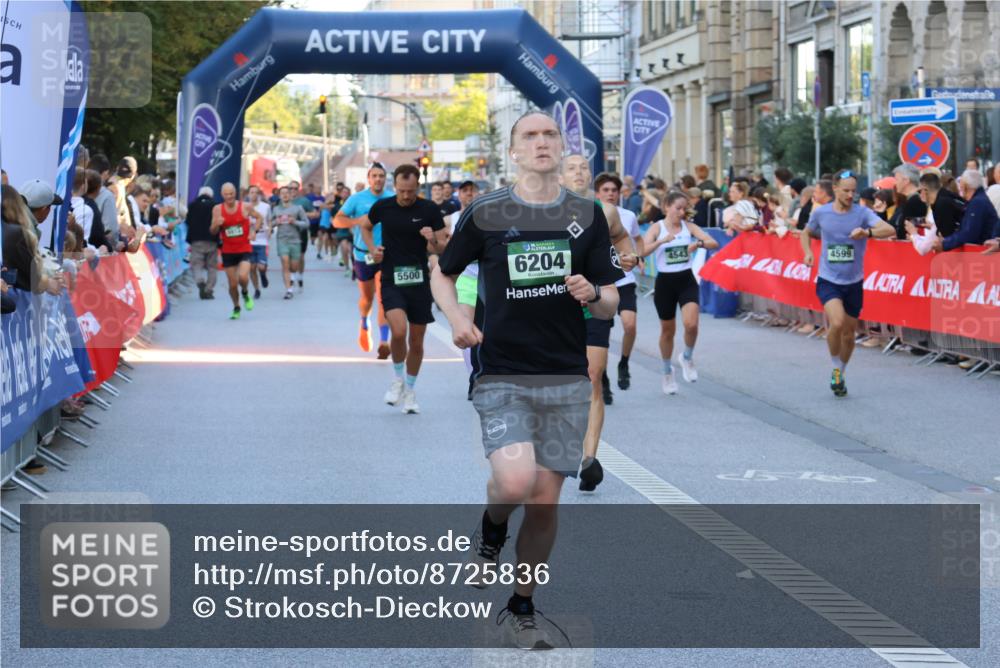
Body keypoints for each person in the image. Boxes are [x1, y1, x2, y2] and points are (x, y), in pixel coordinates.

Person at [432, 110, 621, 650]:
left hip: (564, 375)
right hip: (503, 373)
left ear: (561, 147)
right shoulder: (487, 212)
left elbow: (611, 295)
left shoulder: (587, 214)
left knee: (543, 501)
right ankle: (492, 529)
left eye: (549, 134)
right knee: (514, 483)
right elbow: (442, 273)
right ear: (513, 151)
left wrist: (594, 293)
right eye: (529, 136)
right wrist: (460, 319)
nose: (541, 142)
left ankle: (522, 604)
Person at [561, 155, 633, 493]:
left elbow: (622, 240)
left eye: (583, 168)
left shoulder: (603, 211)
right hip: (551, 310)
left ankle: (589, 459)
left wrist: (625, 259)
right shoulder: (541, 211)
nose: (579, 173)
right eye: (571, 168)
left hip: (593, 302)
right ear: (558, 175)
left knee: (591, 376)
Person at [800, 170, 896, 396]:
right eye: (846, 190)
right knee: (837, 322)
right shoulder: (822, 213)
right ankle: (835, 367)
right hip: (829, 279)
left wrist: (868, 232)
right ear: (835, 189)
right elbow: (806, 232)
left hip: (854, 281)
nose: (850, 195)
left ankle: (841, 371)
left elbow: (890, 229)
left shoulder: (862, 213)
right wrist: (807, 253)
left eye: (853, 190)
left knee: (849, 334)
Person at [363, 164, 448, 414]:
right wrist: (372, 249)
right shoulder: (383, 207)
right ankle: (398, 379)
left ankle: (410, 391)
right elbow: (365, 227)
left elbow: (441, 248)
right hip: (391, 276)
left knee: (417, 341)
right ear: (395, 186)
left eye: (410, 191)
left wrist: (430, 238)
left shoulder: (429, 210)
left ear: (418, 187)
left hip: (419, 279)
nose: (406, 196)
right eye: (401, 191)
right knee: (398, 331)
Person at [641, 190, 719, 395]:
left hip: (686, 280)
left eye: (685, 208)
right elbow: (642, 251)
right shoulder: (656, 228)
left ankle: (687, 356)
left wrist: (698, 243)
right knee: (668, 331)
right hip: (665, 283)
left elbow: (713, 242)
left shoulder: (688, 227)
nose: (682, 212)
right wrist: (661, 242)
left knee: (691, 324)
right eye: (678, 208)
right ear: (667, 207)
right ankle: (667, 371)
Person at [335, 163, 395, 357]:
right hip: (363, 255)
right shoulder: (357, 199)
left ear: (385, 179)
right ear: (369, 179)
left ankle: (384, 341)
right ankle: (364, 321)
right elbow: (337, 220)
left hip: (386, 255)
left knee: (384, 297)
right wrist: (356, 221)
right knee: (367, 298)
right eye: (374, 176)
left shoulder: (392, 199)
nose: (378, 179)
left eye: (381, 176)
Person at [594, 172, 644, 396]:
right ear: (598, 193)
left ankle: (624, 363)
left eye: (614, 190)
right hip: (602, 283)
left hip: (624, 280)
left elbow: (636, 239)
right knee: (601, 335)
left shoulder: (628, 215)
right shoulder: (591, 214)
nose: (610, 194)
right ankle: (601, 377)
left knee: (630, 325)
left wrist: (636, 256)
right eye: (606, 190)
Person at [210, 182, 263, 319]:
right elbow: (212, 231)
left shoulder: (245, 207)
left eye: (231, 193)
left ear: (236, 193)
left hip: (244, 248)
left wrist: (254, 231)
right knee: (233, 285)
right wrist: (216, 224)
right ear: (222, 195)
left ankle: (245, 292)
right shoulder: (217, 209)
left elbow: (259, 218)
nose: (229, 197)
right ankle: (236, 307)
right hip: (228, 251)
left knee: (243, 276)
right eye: (226, 194)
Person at [931, 169, 1000, 252]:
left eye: (961, 183)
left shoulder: (978, 202)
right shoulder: (977, 201)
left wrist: (945, 243)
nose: (959, 186)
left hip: (984, 255)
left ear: (965, 186)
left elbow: (969, 233)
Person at [270, 186, 310, 300]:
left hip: (295, 240)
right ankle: (289, 290)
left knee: (294, 266)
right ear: (279, 196)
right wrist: (275, 222)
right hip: (282, 240)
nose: (285, 195)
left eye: (287, 193)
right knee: (285, 263)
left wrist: (295, 221)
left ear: (291, 195)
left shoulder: (298, 208)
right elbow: (269, 224)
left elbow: (306, 223)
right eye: (282, 193)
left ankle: (294, 276)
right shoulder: (276, 209)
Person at [186, 186, 219, 299]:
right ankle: (209, 289)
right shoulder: (215, 206)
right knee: (212, 266)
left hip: (196, 240)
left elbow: (188, 221)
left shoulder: (192, 205)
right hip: (212, 240)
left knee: (197, 264)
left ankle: (200, 281)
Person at [288, 181, 319, 290]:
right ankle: (292, 277)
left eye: (295, 188)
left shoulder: (304, 201)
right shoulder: (283, 201)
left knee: (300, 257)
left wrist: (301, 214)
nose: (292, 190)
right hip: (287, 233)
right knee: (288, 256)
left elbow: (315, 214)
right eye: (290, 188)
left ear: (298, 189)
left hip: (301, 232)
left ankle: (300, 276)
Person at [889, 164, 928, 240]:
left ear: (906, 180)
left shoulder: (916, 202)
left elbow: (915, 228)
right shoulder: (909, 201)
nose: (895, 183)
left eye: (897, 179)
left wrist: (901, 236)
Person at [247, 185, 271, 299]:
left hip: (262, 240)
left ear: (259, 194)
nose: (254, 194)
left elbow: (269, 221)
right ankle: (257, 289)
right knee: (251, 268)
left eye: (256, 192)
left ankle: (263, 274)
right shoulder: (245, 207)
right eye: (252, 192)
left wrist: (270, 230)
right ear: (248, 194)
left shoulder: (265, 207)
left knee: (261, 266)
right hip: (249, 241)